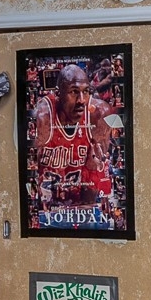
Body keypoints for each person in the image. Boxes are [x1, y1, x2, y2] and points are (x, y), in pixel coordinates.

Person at [33, 62, 120, 209]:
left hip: (80, 203)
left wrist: (84, 213)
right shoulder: (42, 117)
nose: (81, 100)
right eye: (74, 92)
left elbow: (92, 176)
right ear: (58, 94)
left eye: (85, 91)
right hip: (47, 202)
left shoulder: (98, 115)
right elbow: (29, 174)